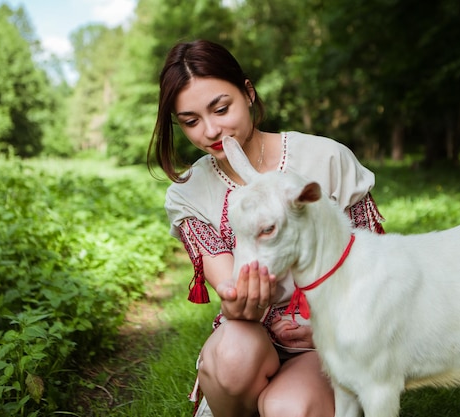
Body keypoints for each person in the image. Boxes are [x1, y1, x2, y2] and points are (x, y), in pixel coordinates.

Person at [148, 39, 385, 417]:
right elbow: (231, 288)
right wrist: (238, 300)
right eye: (191, 121)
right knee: (231, 359)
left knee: (288, 408)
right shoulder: (188, 192)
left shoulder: (326, 158)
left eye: (221, 109)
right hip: (250, 336)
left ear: (248, 92)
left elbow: (373, 266)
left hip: (326, 341)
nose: (210, 131)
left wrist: (330, 326)